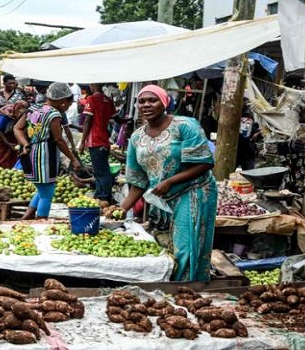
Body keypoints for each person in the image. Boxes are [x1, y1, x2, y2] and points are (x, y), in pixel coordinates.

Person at [120, 85, 217, 282]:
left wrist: (169, 181)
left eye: (152, 100)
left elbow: (205, 163)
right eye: (142, 101)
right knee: (165, 245)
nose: (146, 104)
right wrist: (121, 209)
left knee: (186, 246)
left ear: (164, 103)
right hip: (161, 198)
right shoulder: (137, 137)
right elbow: (138, 181)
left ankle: (188, 288)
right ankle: (170, 285)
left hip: (193, 191)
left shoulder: (185, 126)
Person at [14, 82, 82, 220]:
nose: (67, 107)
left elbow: (17, 128)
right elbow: (59, 140)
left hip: (31, 154)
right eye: (68, 105)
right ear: (63, 102)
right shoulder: (53, 114)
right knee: (47, 194)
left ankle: (26, 218)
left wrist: (25, 143)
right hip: (44, 157)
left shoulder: (33, 108)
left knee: (42, 189)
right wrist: (73, 159)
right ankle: (41, 221)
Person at [79, 83, 127, 203]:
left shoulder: (91, 99)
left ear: (92, 85)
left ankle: (104, 197)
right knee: (102, 169)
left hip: (95, 140)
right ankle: (101, 194)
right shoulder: (108, 100)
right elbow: (118, 119)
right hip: (104, 140)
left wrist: (82, 142)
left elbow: (87, 121)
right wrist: (128, 120)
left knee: (101, 171)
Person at [0, 100, 29, 169]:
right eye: (19, 113)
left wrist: (20, 144)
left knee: (12, 156)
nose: (20, 115)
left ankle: (10, 170)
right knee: (0, 157)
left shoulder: (24, 115)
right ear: (16, 110)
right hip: (0, 137)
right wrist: (6, 142)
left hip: (11, 136)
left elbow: (21, 129)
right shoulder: (6, 114)